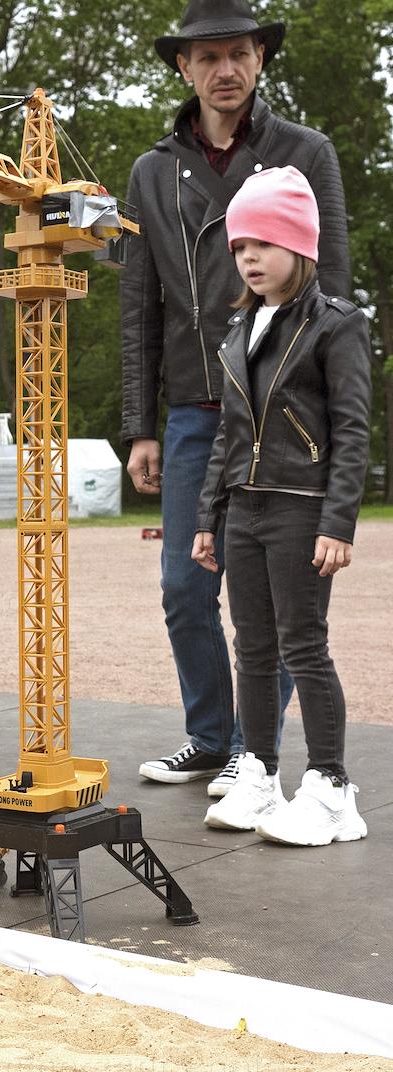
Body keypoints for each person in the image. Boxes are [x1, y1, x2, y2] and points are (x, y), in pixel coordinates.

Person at [120, 0, 351, 797]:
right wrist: (138, 426)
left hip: (282, 409)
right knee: (186, 587)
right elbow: (139, 307)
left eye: (239, 53)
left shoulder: (305, 153)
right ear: (184, 67)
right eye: (208, 56)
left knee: (279, 599)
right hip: (194, 406)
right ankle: (211, 737)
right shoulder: (151, 172)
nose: (225, 69)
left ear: (260, 58)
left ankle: (255, 751)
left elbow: (333, 285)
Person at [192, 167, 370, 846]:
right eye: (240, 247)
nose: (249, 258)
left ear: (299, 244)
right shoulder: (238, 329)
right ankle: (260, 774)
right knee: (254, 648)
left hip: (302, 505)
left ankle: (330, 789)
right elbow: (228, 437)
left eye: (263, 243)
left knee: (303, 645)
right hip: (245, 509)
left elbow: (352, 430)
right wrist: (209, 518)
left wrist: (337, 521)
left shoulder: (337, 325)